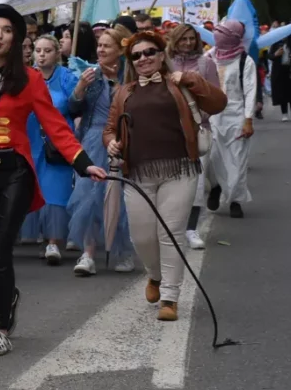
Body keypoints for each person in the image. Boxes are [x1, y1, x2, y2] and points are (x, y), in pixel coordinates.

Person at [0, 4, 104, 357]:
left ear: (15, 38)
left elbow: (55, 126)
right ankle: (8, 291)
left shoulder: (30, 80)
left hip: (14, 171)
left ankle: (0, 327)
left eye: (6, 30)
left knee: (0, 247)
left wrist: (83, 163)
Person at [106, 31, 226, 321]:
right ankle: (155, 276)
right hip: (137, 173)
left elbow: (219, 103)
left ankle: (170, 298)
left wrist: (190, 79)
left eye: (150, 52)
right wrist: (110, 141)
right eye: (136, 55)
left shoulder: (180, 83)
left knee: (171, 234)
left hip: (179, 170)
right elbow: (110, 128)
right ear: (132, 62)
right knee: (142, 237)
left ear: (162, 56)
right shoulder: (124, 92)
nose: (143, 58)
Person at [66, 24, 134, 275]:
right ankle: (88, 254)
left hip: (124, 140)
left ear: (119, 50)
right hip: (93, 140)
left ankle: (122, 251)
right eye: (99, 45)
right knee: (88, 196)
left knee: (121, 198)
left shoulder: (131, 75)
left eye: (106, 45)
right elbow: (74, 108)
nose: (101, 49)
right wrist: (80, 88)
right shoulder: (90, 74)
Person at [25, 35, 79, 264]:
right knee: (30, 186)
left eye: (48, 50)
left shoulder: (67, 77)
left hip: (57, 142)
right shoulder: (25, 77)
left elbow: (76, 105)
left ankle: (53, 242)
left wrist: (82, 88)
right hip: (30, 140)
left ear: (57, 53)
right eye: (38, 50)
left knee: (55, 190)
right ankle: (33, 233)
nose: (42, 54)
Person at [167, 23, 219, 249]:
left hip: (198, 131)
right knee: (172, 182)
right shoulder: (165, 64)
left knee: (196, 183)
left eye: (191, 38)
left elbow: (215, 96)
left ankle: (192, 228)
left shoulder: (205, 64)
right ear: (175, 40)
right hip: (169, 131)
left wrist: (196, 116)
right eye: (183, 39)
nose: (188, 43)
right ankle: (172, 227)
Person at [205, 19, 257, 218]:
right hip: (211, 117)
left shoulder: (246, 61)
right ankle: (216, 187)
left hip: (236, 116)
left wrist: (248, 119)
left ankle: (236, 200)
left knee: (237, 160)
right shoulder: (210, 56)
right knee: (211, 158)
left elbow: (251, 90)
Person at [269, 27, 291, 121]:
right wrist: (275, 55)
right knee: (281, 91)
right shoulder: (276, 44)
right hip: (280, 70)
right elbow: (270, 55)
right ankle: (284, 113)